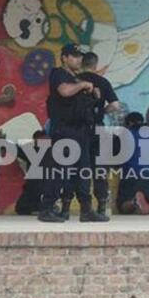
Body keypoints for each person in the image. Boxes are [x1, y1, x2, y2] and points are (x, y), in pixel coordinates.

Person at [38, 43, 107, 223]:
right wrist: (83, 84)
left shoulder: (76, 78)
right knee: (59, 171)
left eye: (80, 57)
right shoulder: (58, 74)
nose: (78, 60)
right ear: (64, 58)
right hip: (64, 129)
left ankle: (86, 210)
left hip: (81, 130)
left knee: (83, 172)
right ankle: (46, 209)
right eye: (75, 56)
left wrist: (94, 93)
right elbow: (64, 91)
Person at [60, 50, 120, 218]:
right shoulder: (103, 81)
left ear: (81, 63)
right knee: (99, 169)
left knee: (74, 168)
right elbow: (115, 105)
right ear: (95, 64)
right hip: (97, 129)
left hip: (76, 129)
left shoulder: (74, 81)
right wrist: (101, 112)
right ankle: (101, 207)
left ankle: (66, 208)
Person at [116, 112, 149, 215]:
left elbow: (115, 159)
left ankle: (135, 201)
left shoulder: (125, 135)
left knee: (122, 205)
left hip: (131, 174)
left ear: (129, 123)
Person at [14, 130, 50, 215]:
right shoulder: (32, 150)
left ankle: (39, 206)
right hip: (35, 182)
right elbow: (16, 150)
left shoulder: (50, 150)